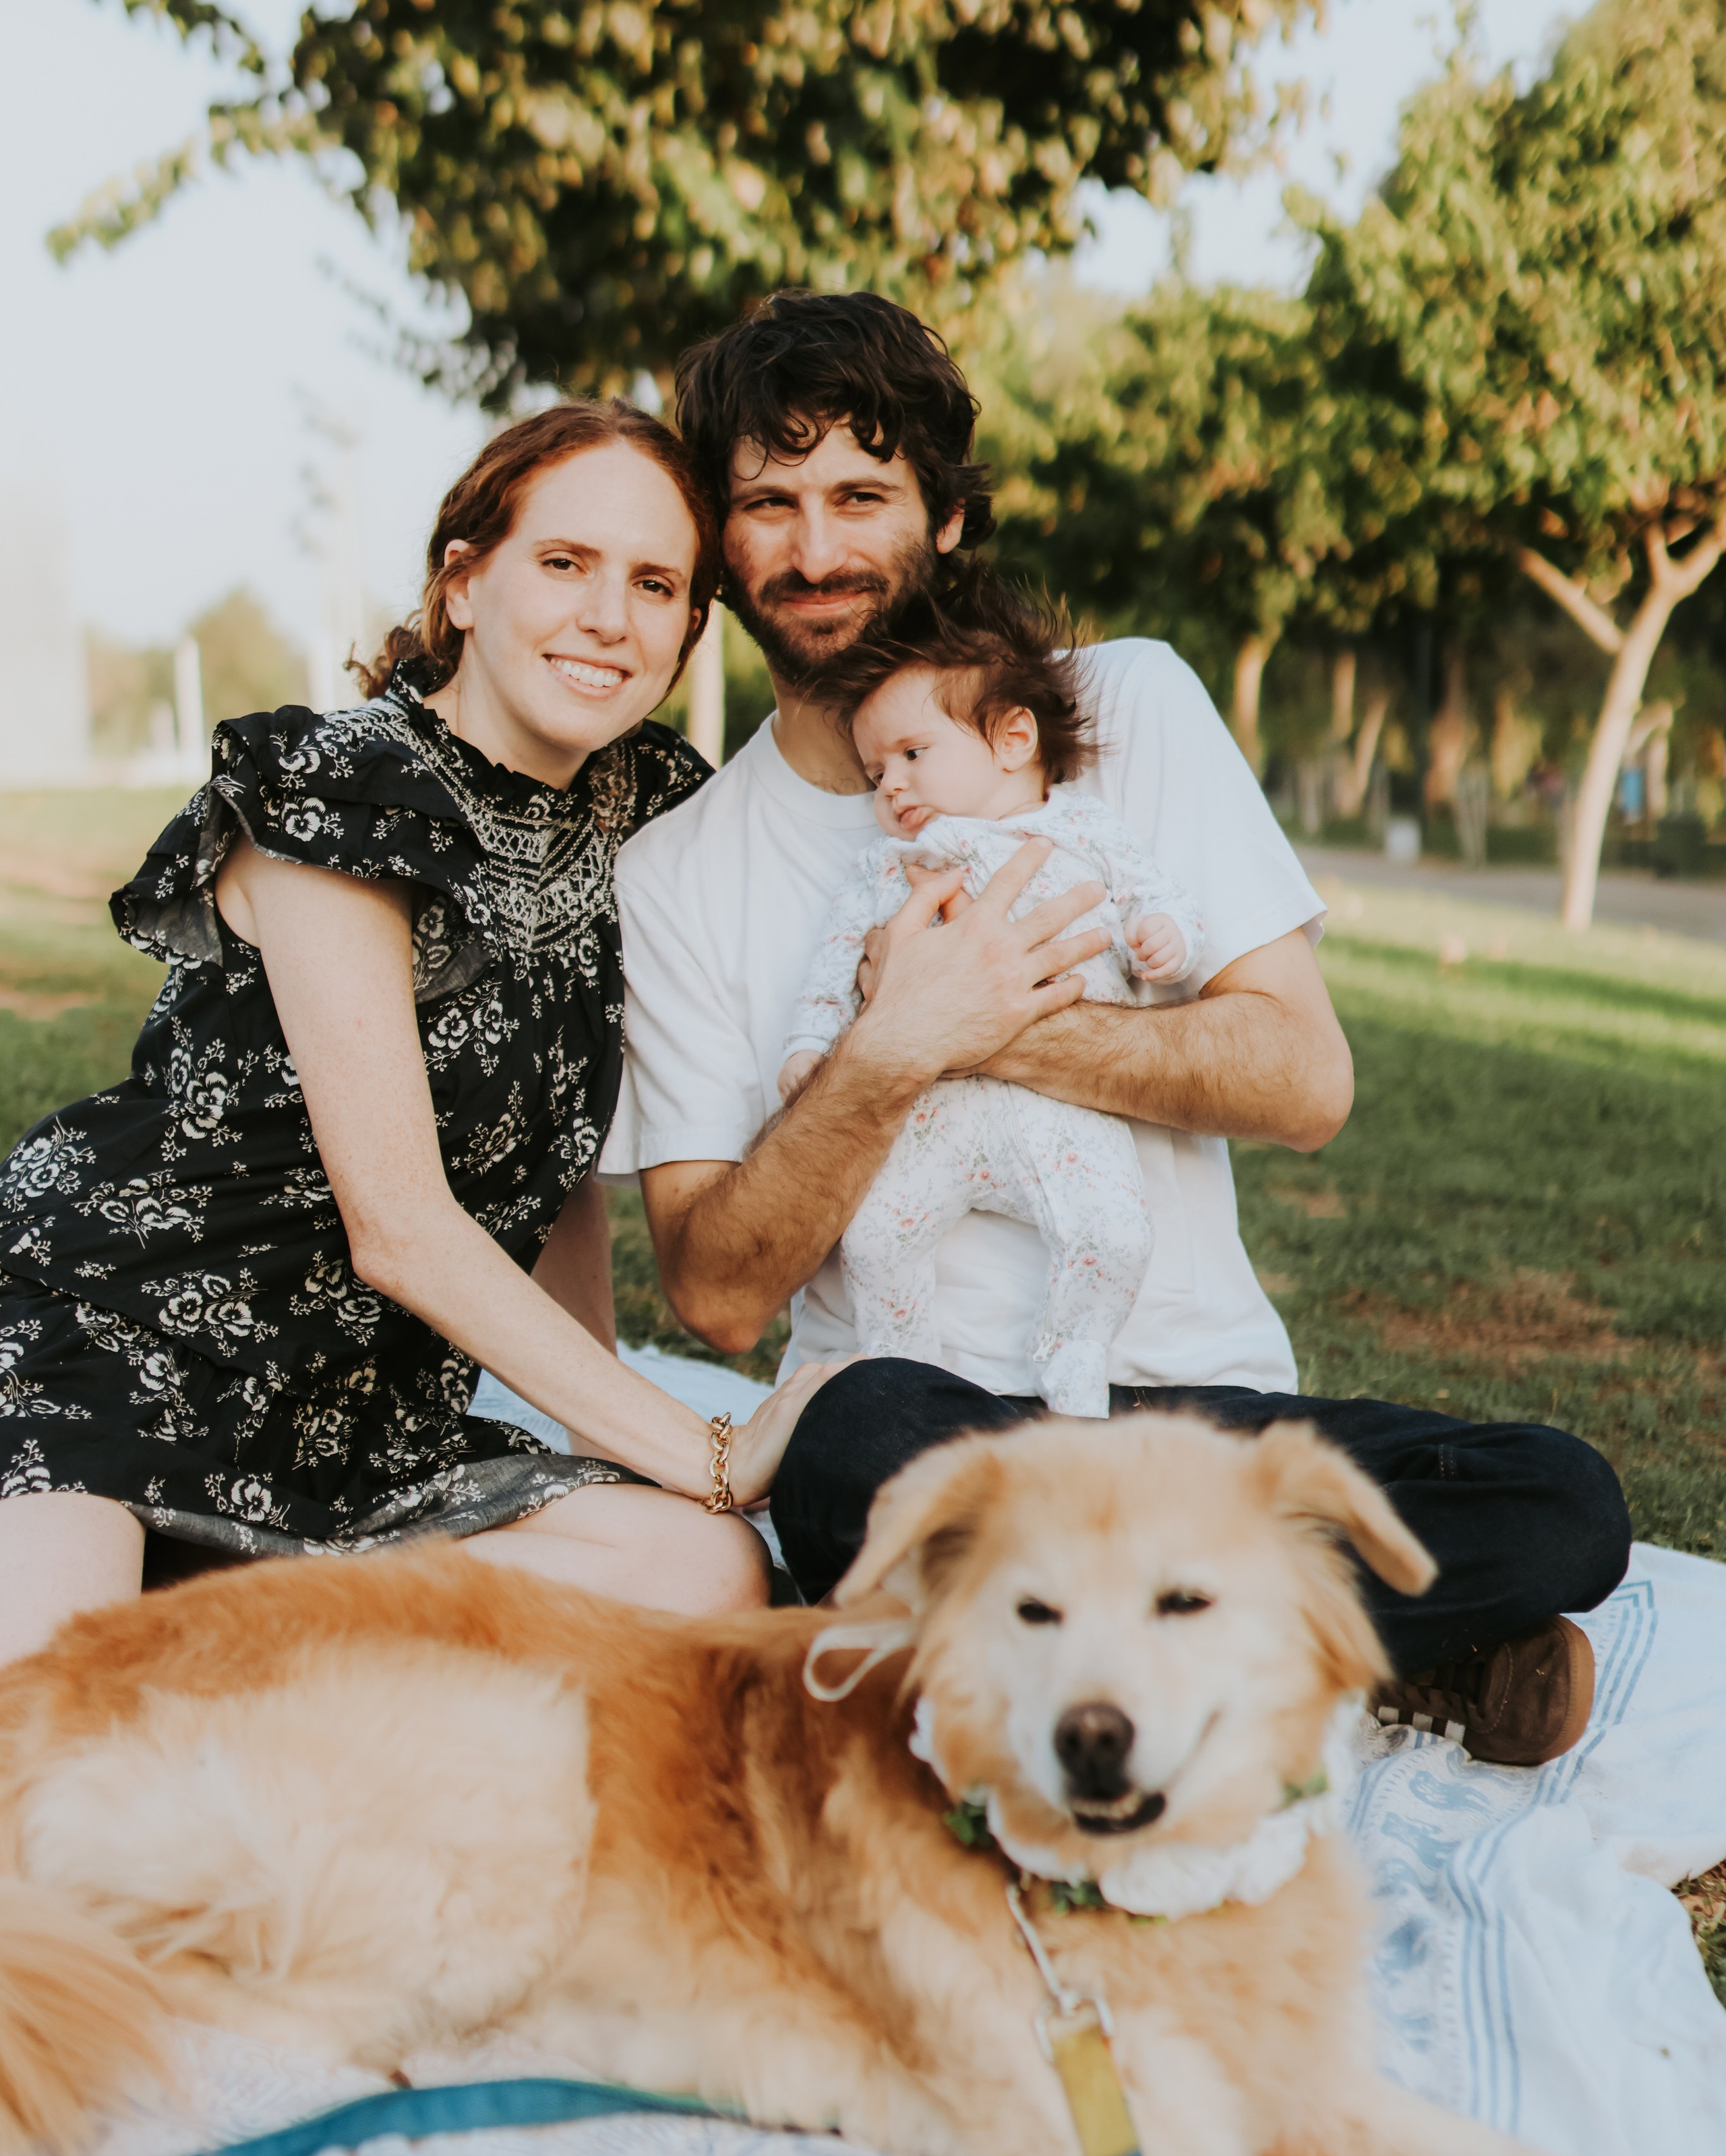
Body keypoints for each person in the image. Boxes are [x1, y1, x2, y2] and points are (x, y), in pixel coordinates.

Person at [604, 291, 1630, 1766]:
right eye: (767, 503)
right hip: (923, 1425)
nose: (814, 548)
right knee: (845, 1453)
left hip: (1185, 1410)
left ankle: (1117, 1644)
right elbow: (713, 1293)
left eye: (858, 495)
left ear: (946, 517)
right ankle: (1316, 1652)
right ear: (720, 532)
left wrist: (985, 1023)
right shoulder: (683, 869)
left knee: (1559, 1499)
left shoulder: (1121, 707)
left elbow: (1300, 1077)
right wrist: (887, 1048)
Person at [0, 399, 837, 1668]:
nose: (609, 616)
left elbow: (556, 1159)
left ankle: (240, 1631)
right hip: (114, 1351)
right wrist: (704, 1451)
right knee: (48, 1723)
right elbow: (398, 1223)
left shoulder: (646, 809)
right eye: (564, 564)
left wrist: (602, 1435)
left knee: (705, 1573)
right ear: (462, 584)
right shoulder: (339, 787)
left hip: (363, 1431)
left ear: (685, 629)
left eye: (656, 584)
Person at [777, 565, 1202, 1417]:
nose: (890, 785)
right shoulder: (889, 865)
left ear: (1012, 740)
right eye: (875, 774)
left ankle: (1074, 1348)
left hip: (1064, 1112)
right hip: (931, 1110)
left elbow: (1157, 898)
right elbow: (839, 960)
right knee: (876, 1235)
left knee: (1114, 1232)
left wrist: (1168, 940)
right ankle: (901, 1369)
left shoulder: (1081, 830)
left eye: (911, 755)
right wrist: (810, 1047)